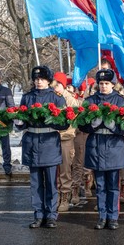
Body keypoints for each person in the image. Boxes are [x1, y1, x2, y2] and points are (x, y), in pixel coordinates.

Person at [78, 69, 124, 230]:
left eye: (107, 83)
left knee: (113, 185)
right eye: (101, 83)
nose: (103, 86)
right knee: (101, 185)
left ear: (113, 84)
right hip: (96, 143)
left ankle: (113, 216)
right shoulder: (90, 101)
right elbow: (80, 123)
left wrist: (116, 127)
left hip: (114, 145)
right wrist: (92, 125)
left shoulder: (121, 101)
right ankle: (102, 216)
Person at [14, 65, 68, 229]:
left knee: (51, 182)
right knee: (36, 183)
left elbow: (65, 123)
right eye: (36, 79)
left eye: (42, 79)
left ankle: (51, 215)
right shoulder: (27, 97)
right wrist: (19, 122)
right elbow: (22, 121)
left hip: (49, 142)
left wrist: (56, 119)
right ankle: (38, 214)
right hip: (32, 142)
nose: (39, 82)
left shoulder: (57, 97)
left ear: (49, 81)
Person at [52, 72, 79, 211]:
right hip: (51, 138)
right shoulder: (50, 97)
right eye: (53, 84)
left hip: (65, 138)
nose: (54, 87)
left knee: (65, 170)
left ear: (63, 85)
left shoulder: (70, 100)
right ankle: (55, 195)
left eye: (57, 85)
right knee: (53, 170)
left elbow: (73, 120)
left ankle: (65, 197)